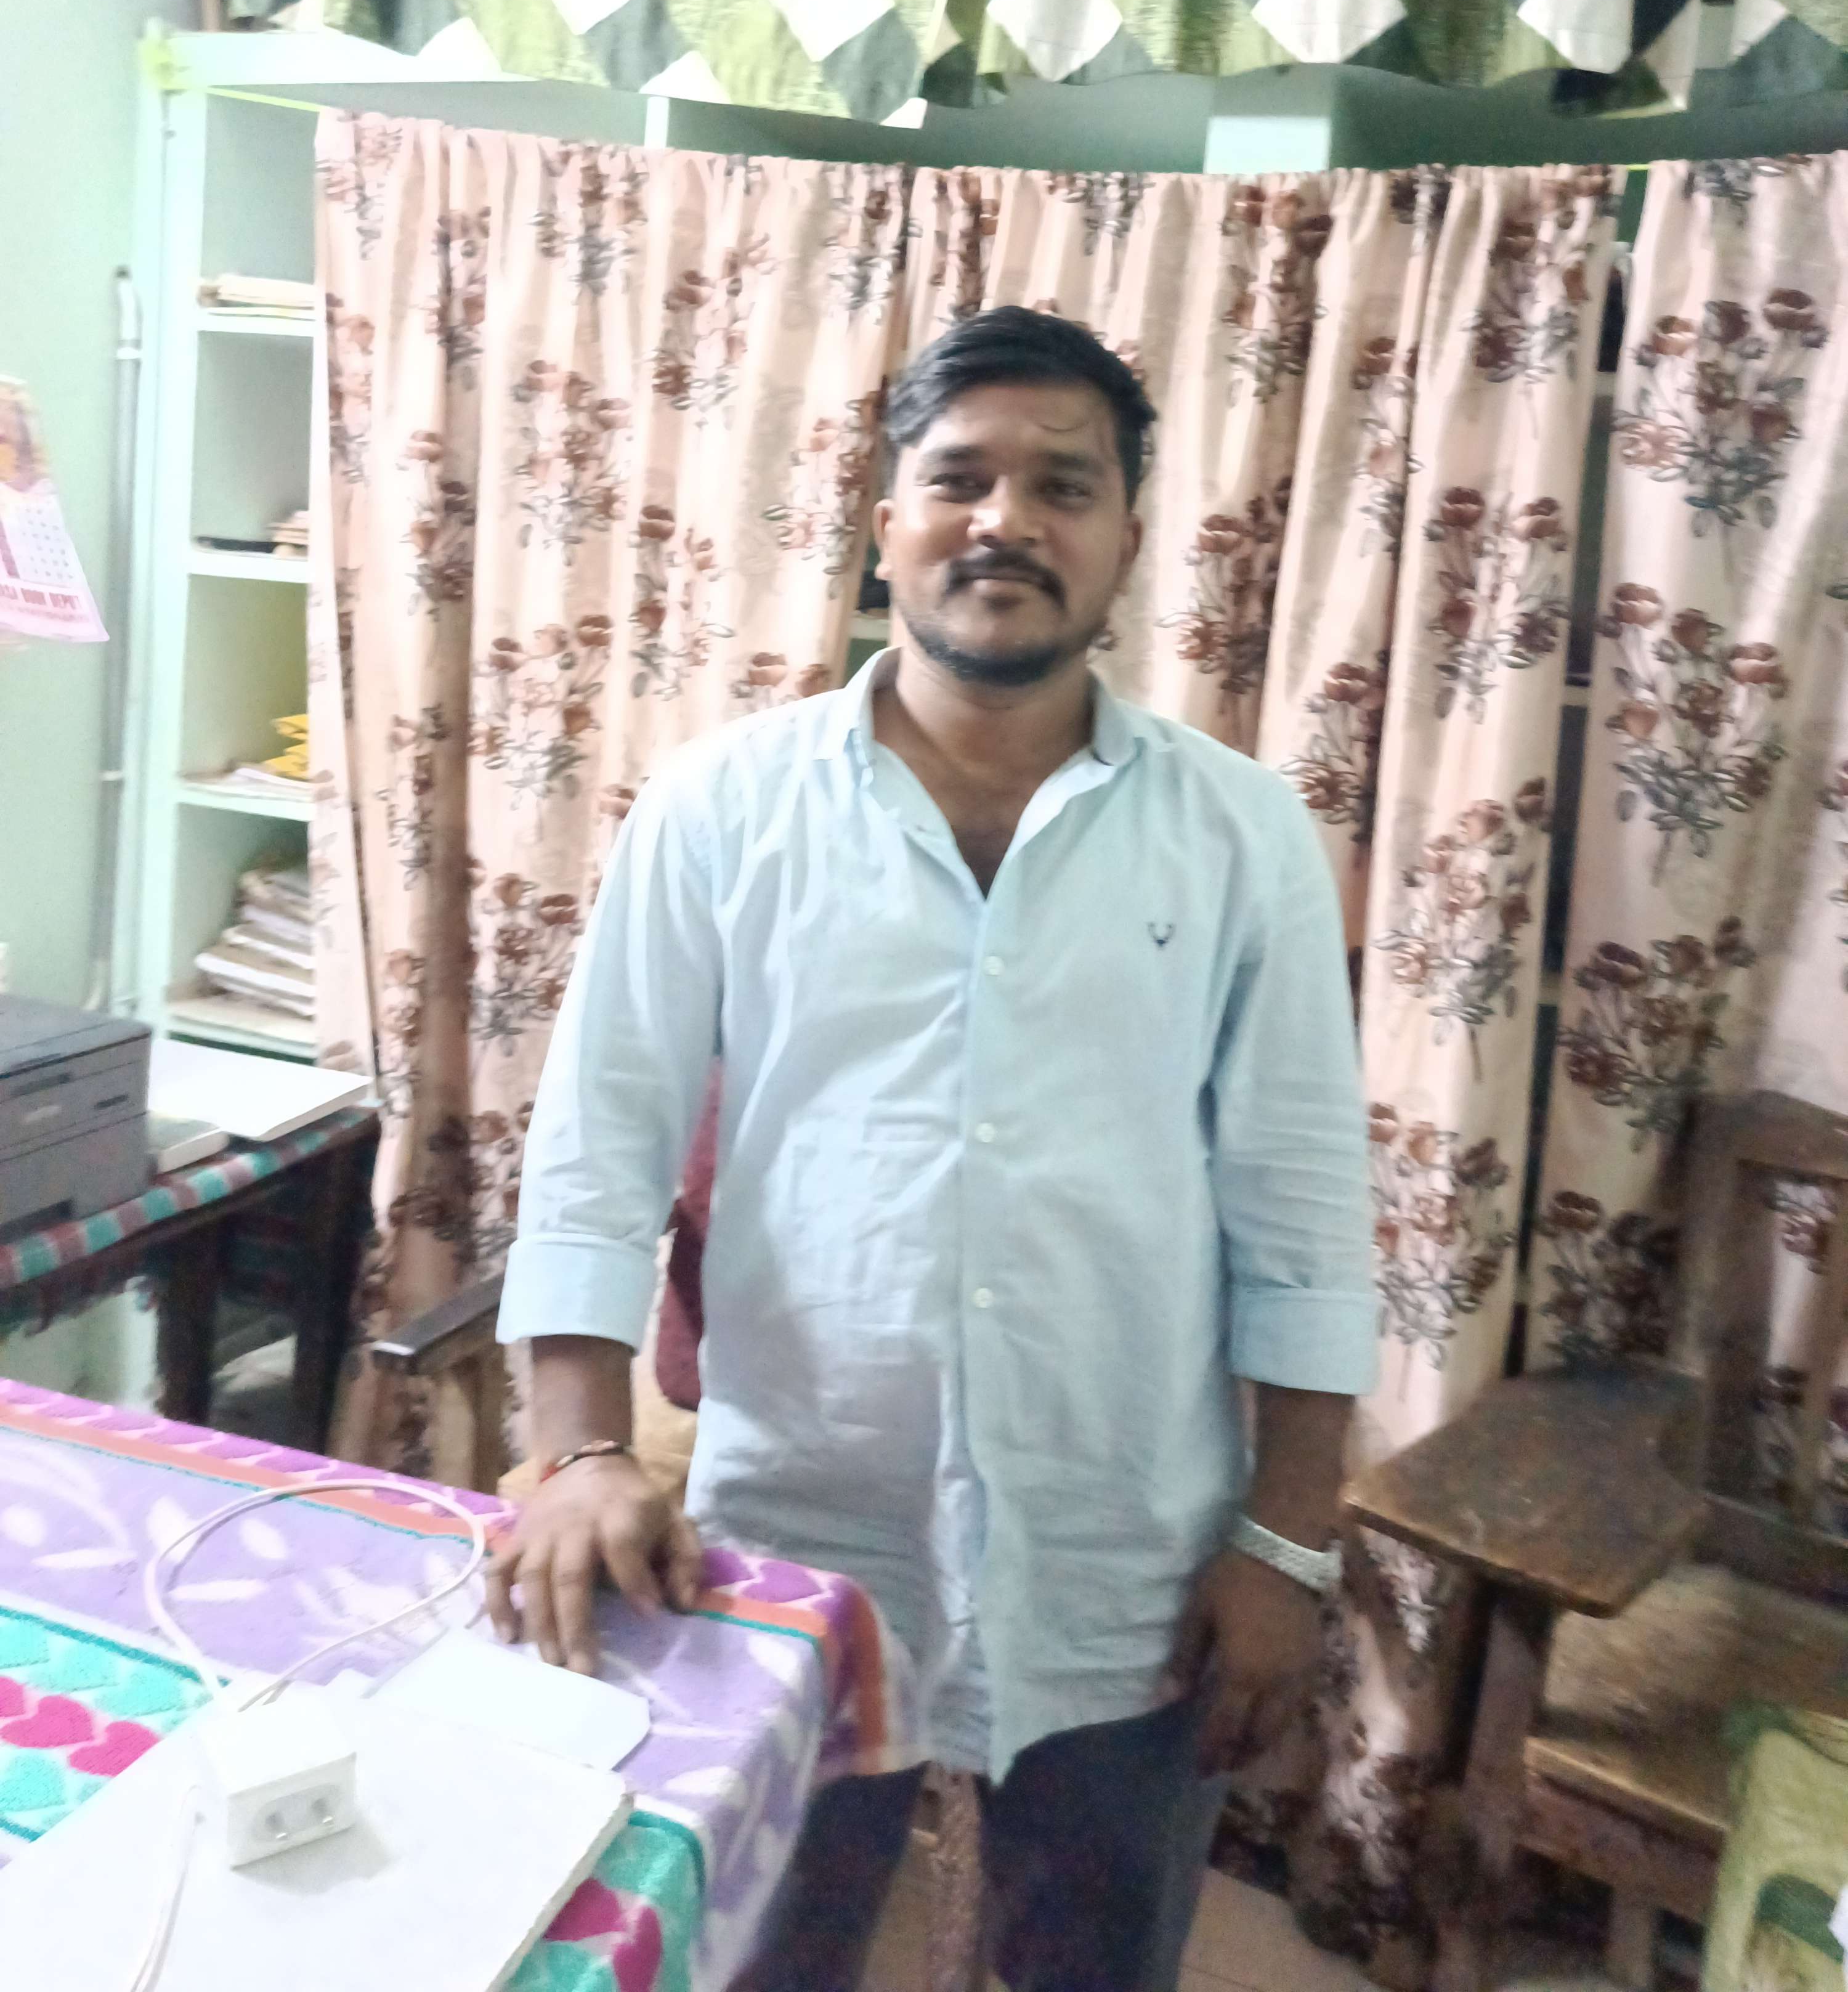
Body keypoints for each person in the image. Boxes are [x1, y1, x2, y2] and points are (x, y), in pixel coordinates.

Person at [488, 307, 1377, 1991]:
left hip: (1128, 1545)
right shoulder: (721, 808)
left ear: (1126, 540)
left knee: (1094, 1964)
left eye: (1065, 485)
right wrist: (580, 1449)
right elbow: (598, 1142)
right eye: (960, 478)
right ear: (887, 521)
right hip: (796, 1533)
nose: (1006, 521)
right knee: (762, 1955)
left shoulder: (1241, 834)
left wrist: (1284, 1538)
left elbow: (1305, 1207)